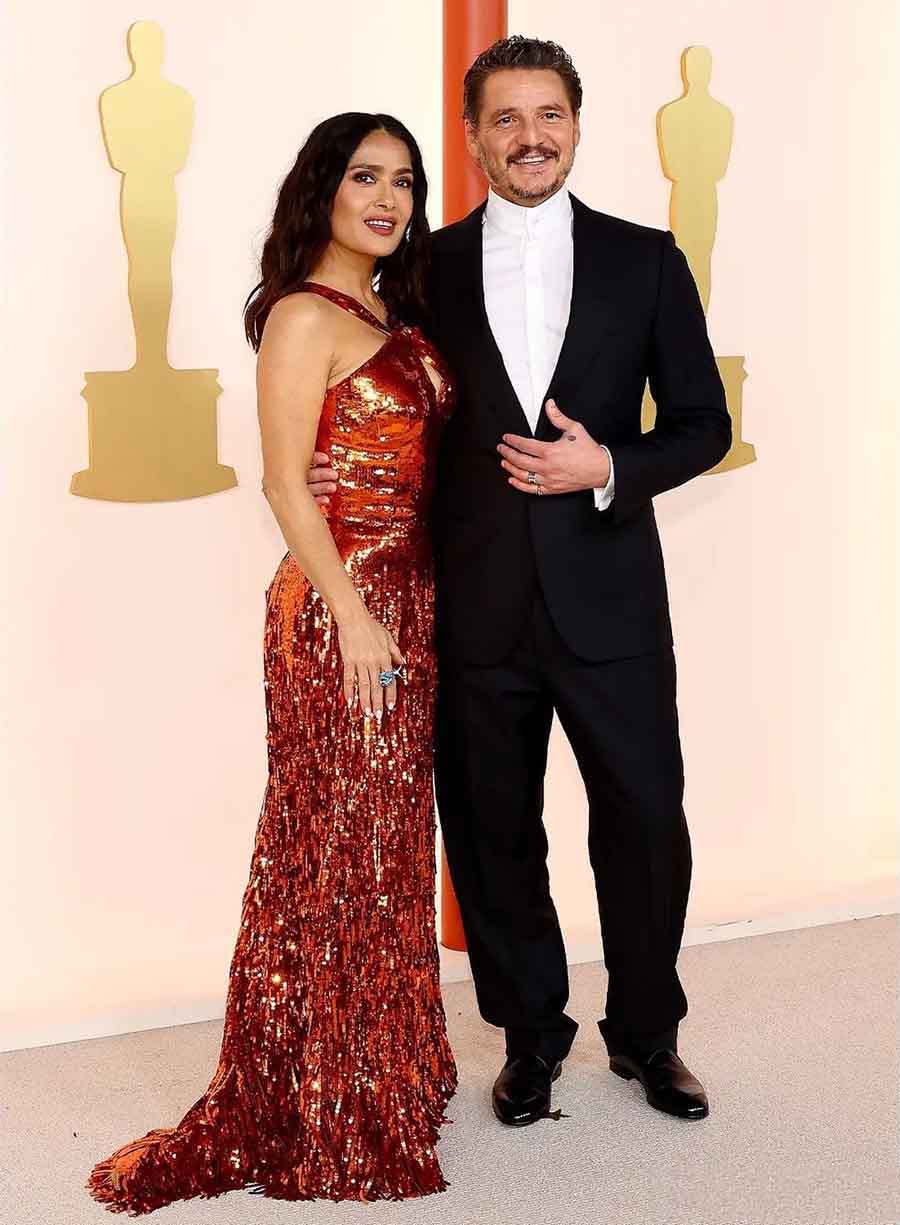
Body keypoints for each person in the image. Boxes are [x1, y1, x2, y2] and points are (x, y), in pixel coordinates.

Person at [308, 36, 732, 1129]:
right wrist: (327, 455)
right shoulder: (424, 269)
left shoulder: (648, 259)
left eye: (548, 114)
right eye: (506, 118)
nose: (529, 135)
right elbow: (372, 392)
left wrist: (611, 466)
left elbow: (704, 425)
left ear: (577, 126)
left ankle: (647, 1035)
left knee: (644, 821)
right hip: (475, 601)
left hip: (613, 605)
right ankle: (530, 1036)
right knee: (493, 829)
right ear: (475, 138)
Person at [86, 112, 457, 1213]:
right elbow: (287, 484)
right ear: (322, 193)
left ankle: (374, 1074)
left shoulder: (388, 308)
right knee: (334, 848)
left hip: (410, 603)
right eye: (363, 178)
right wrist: (351, 615)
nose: (386, 198)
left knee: (385, 847)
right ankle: (319, 1097)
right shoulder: (303, 315)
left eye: (403, 179)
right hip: (345, 610)